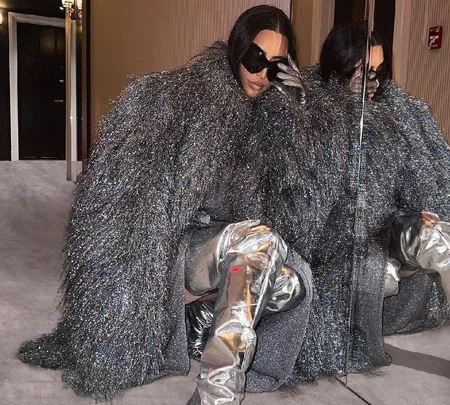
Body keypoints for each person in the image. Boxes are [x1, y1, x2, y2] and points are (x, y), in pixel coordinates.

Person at [17, 6, 334, 405]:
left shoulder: (275, 122)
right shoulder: (182, 100)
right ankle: (218, 391)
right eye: (255, 57)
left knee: (288, 283)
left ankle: (198, 327)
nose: (260, 73)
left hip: (242, 258)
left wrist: (298, 118)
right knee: (260, 241)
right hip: (182, 251)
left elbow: (301, 221)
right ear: (237, 47)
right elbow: (121, 201)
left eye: (275, 66)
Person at [290, 21, 450, 381]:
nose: (372, 82)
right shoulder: (309, 112)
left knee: (440, 239)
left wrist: (415, 215)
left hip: (383, 225)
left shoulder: (395, 115)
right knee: (380, 275)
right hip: (335, 240)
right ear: (339, 66)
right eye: (361, 71)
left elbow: (415, 181)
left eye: (378, 72)